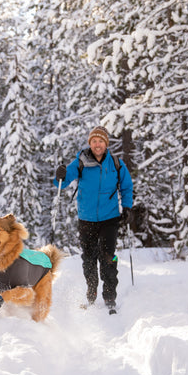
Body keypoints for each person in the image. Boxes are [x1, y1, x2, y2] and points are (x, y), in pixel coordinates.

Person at [54, 125, 133, 313]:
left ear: (106, 143)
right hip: (87, 219)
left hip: (109, 218)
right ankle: (91, 294)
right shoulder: (81, 161)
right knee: (88, 258)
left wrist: (127, 207)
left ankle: (110, 296)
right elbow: (63, 181)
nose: (97, 144)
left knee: (108, 256)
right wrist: (61, 174)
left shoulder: (116, 164)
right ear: (90, 143)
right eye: (94, 141)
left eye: (101, 141)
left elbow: (126, 186)